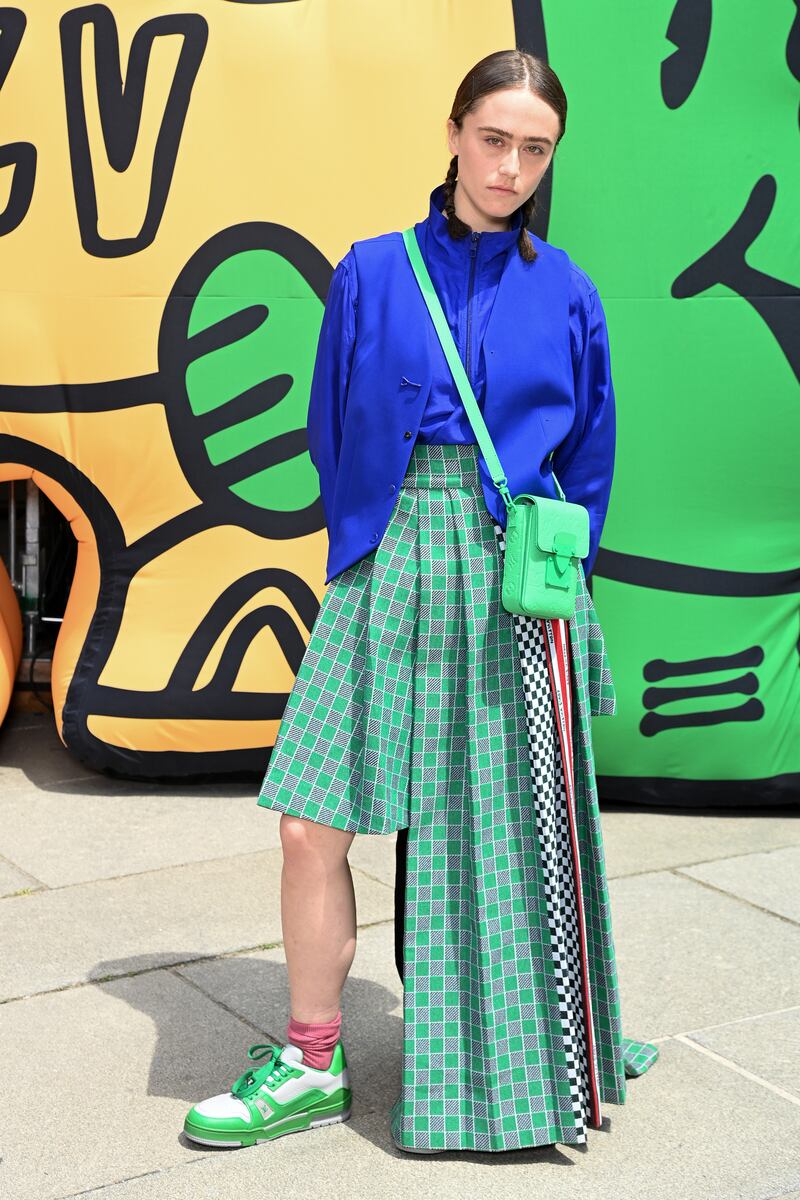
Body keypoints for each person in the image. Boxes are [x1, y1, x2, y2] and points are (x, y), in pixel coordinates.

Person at [183, 47, 657, 1156]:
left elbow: (587, 455)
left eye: (533, 148)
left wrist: (560, 596)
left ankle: (511, 1060)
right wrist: (362, 551)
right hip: (388, 551)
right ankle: (308, 1058)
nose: (509, 165)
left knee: (486, 839)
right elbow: (330, 421)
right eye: (492, 139)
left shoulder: (567, 289)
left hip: (508, 576)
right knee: (309, 821)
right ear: (452, 134)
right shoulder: (371, 269)